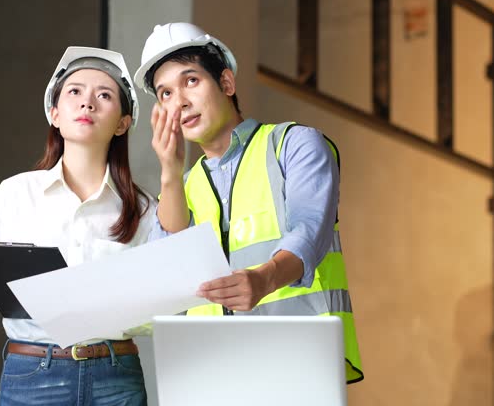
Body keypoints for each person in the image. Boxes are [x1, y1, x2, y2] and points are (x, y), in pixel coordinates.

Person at [134, 22, 364, 384]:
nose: (179, 102)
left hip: (300, 361)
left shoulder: (294, 145)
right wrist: (169, 172)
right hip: (212, 371)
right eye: (165, 94)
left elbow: (309, 232)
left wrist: (264, 279)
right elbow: (166, 269)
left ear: (226, 83)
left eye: (191, 81)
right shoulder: (184, 184)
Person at [0, 47, 155, 406]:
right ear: (55, 114)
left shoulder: (145, 209)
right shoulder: (16, 193)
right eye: (74, 92)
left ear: (123, 123)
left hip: (117, 381)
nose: (88, 103)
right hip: (32, 376)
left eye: (104, 95)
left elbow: (158, 308)